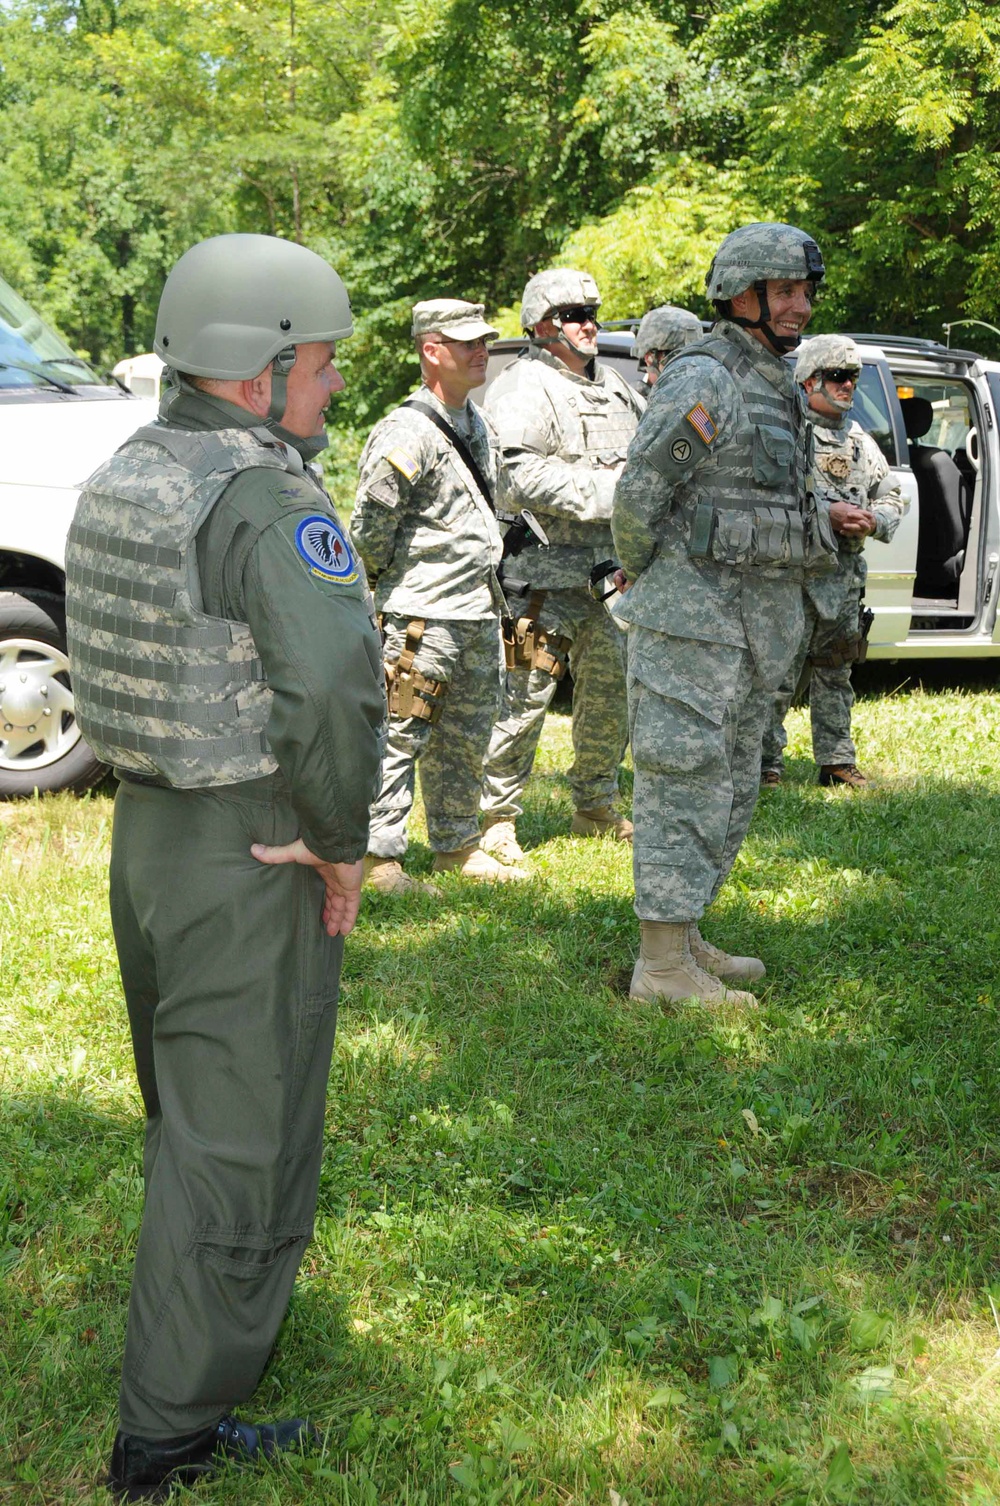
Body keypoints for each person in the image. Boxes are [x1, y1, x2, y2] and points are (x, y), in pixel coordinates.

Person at [63, 233, 386, 1502]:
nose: (331, 387)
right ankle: (169, 1436)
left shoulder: (130, 469)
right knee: (237, 1136)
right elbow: (330, 693)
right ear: (259, 369)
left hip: (149, 838)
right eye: (319, 363)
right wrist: (340, 841)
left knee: (191, 1114)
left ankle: (179, 1387)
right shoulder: (264, 495)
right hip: (252, 837)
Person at [612, 221, 835, 1008]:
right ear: (742, 296)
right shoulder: (703, 378)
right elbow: (638, 495)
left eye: (806, 291)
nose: (802, 305)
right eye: (787, 291)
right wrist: (659, 580)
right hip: (694, 628)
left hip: (750, 631)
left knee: (733, 781)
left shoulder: (773, 379)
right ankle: (660, 966)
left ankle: (688, 930)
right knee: (684, 781)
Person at [351, 298, 526, 892]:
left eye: (485, 341)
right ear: (432, 351)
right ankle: (380, 859)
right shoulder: (406, 430)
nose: (482, 351)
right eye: (467, 342)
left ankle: (456, 845)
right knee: (401, 734)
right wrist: (383, 591)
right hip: (423, 615)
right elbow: (371, 526)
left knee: (467, 733)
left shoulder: (477, 423)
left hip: (476, 608)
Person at [478, 268, 645, 866]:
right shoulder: (522, 388)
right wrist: (607, 490)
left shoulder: (617, 388)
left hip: (607, 579)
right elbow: (516, 475)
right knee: (522, 700)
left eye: (593, 311)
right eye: (574, 314)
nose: (589, 323)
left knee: (610, 694)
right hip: (541, 581)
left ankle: (595, 805)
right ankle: (496, 820)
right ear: (541, 326)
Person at [761, 335, 906, 789]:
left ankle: (836, 762)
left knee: (837, 669)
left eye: (853, 378)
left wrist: (875, 519)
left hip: (842, 581)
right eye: (837, 377)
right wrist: (827, 514)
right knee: (777, 676)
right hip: (793, 578)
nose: (848, 386)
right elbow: (767, 501)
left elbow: (894, 494)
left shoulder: (859, 439)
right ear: (808, 382)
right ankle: (765, 764)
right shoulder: (784, 435)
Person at [633, 304, 703, 395]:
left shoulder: (708, 397)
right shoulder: (633, 404)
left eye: (696, 357)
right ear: (649, 358)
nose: (688, 365)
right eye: (675, 357)